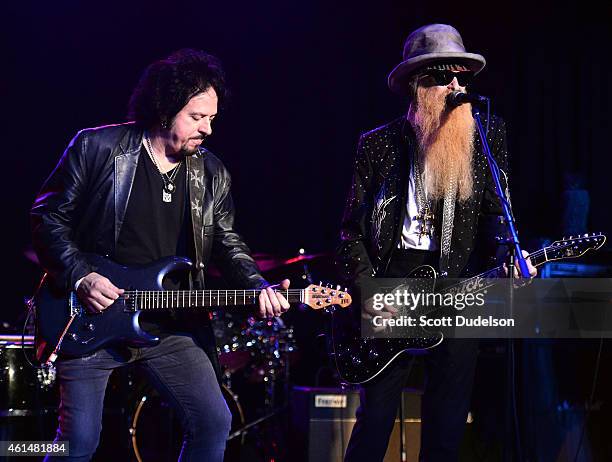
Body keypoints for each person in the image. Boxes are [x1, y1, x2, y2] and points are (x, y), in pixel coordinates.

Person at [31, 49, 290, 461]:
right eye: (196, 117)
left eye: (212, 119)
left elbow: (226, 240)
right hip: (90, 315)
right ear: (165, 109)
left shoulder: (210, 172)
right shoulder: (96, 146)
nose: (207, 129)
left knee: (212, 422)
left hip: (168, 320)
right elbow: (47, 218)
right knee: (76, 444)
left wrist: (258, 285)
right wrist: (82, 275)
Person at [335, 24, 536, 461]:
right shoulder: (378, 145)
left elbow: (496, 214)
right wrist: (368, 292)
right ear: (417, 84)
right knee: (374, 424)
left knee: (448, 424)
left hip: (457, 286)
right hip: (392, 283)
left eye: (462, 77)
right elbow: (350, 231)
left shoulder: (486, 134)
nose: (457, 87)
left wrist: (511, 253)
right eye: (445, 77)